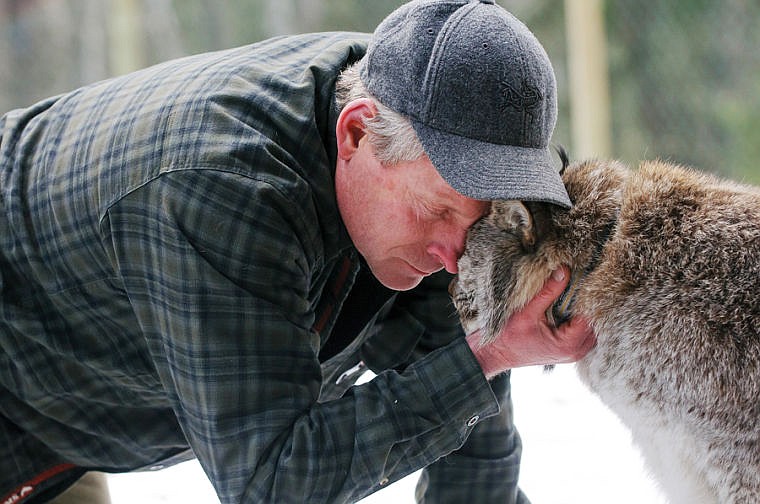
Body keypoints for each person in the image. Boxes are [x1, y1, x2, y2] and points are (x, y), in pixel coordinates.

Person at [0, 0, 595, 502]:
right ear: (356, 133)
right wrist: (485, 359)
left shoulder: (422, 118)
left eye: (479, 220)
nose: (453, 255)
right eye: (436, 211)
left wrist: (480, 356)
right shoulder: (223, 191)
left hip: (87, 406)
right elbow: (273, 481)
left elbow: (462, 413)